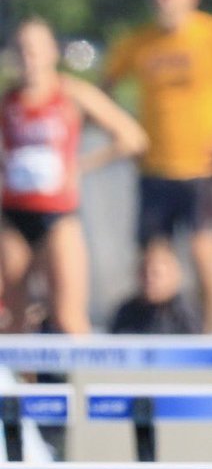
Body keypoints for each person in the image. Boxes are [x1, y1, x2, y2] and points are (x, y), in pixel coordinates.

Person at [104, 0, 212, 331]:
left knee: (205, 257)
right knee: (152, 264)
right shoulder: (138, 41)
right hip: (154, 169)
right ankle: (157, 334)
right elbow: (104, 91)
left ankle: (211, 339)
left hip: (203, 170)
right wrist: (126, 135)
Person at [0, 17, 147, 333]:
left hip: (59, 215)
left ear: (52, 52)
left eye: (36, 50)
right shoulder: (8, 101)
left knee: (67, 314)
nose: (30, 58)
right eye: (22, 50)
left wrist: (80, 166)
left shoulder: (71, 94)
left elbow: (132, 137)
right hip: (14, 216)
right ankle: (20, 382)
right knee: (15, 316)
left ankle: (80, 382)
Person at [109, 240, 201, 335]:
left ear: (174, 275)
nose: (149, 280)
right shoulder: (126, 313)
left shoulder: (186, 315)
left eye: (156, 274)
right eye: (144, 273)